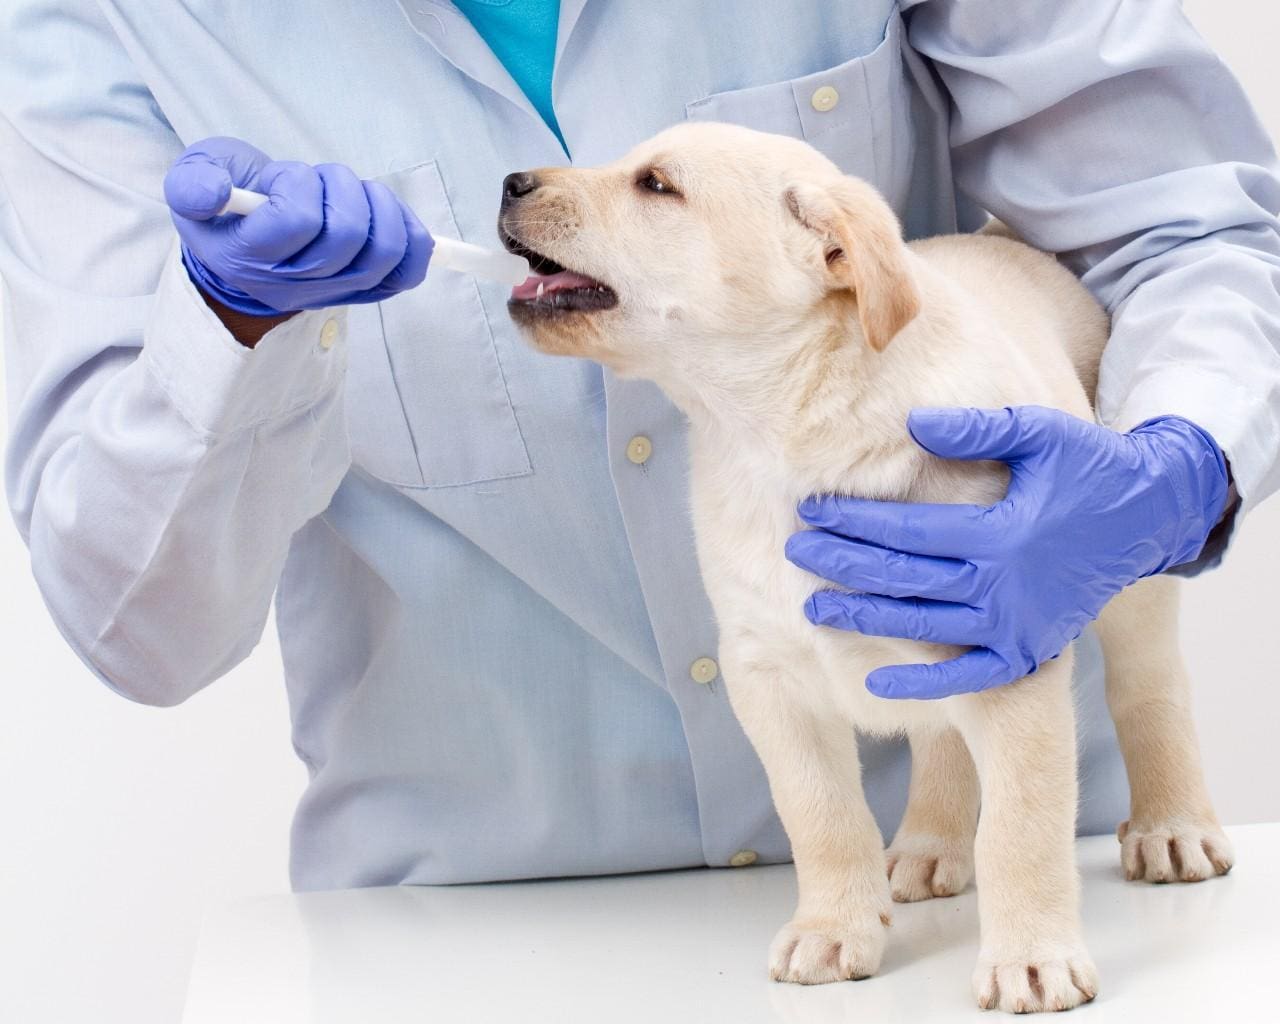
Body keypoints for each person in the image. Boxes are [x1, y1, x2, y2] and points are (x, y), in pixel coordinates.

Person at [1, 0, 1276, 892]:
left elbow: (1188, 223)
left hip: (1004, 893)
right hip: (480, 919)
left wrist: (1174, 467)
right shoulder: (114, 19)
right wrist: (225, 329)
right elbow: (135, 623)